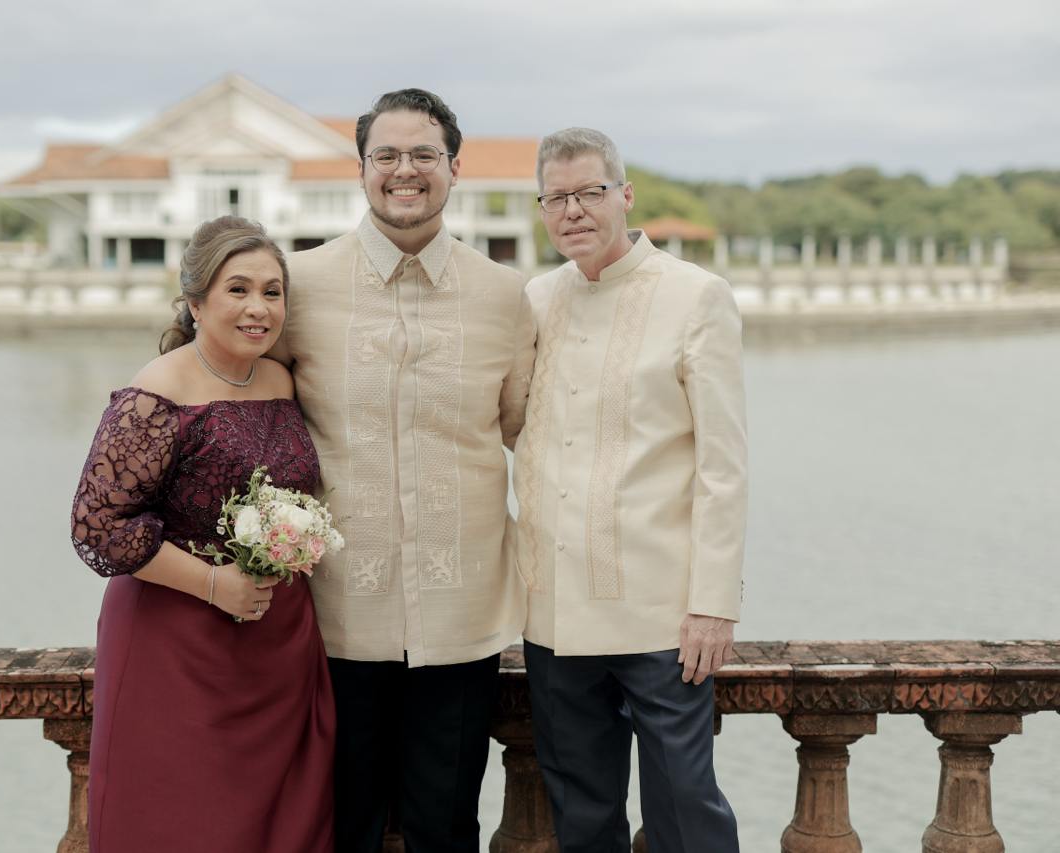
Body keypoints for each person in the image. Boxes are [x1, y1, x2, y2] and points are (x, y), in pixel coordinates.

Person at [270, 89, 535, 852]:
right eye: (385, 155)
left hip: (462, 616)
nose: (404, 170)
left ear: (454, 167)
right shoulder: (298, 285)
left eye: (423, 154)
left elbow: (532, 439)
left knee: (447, 829)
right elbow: (246, 415)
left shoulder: (507, 295)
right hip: (334, 613)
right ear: (361, 169)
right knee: (341, 827)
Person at [513, 128, 746, 852]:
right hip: (554, 613)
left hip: (660, 617)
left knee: (686, 812)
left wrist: (713, 603)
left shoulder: (696, 295)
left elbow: (723, 465)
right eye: (557, 197)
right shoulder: (536, 298)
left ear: (625, 195)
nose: (573, 211)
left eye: (590, 192)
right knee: (582, 818)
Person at [70, 216, 334, 853]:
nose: (258, 308)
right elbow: (98, 526)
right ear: (195, 302)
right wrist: (215, 584)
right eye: (237, 289)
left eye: (272, 292)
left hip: (277, 644)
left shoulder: (281, 382)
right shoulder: (156, 392)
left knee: (283, 823)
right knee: (183, 821)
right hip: (176, 643)